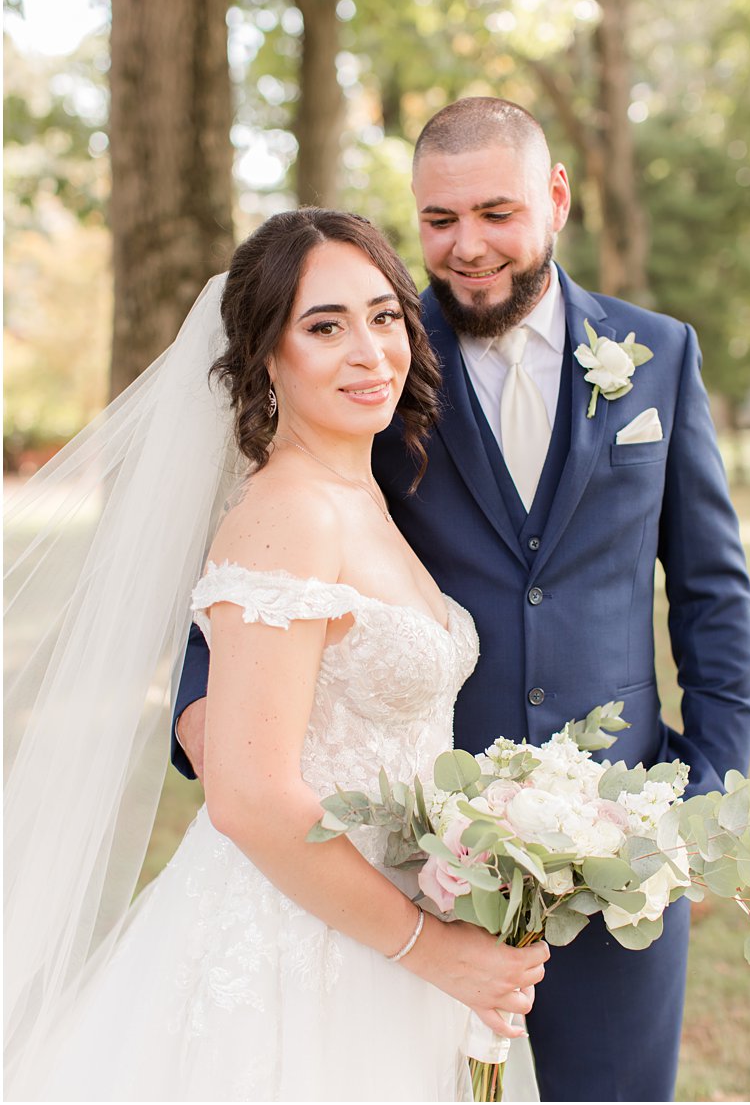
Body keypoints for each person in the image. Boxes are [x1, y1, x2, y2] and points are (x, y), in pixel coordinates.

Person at [173, 98, 750, 1101]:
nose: (467, 245)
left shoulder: (659, 355)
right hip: (423, 856)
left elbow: (711, 593)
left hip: (621, 842)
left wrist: (695, 802)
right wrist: (219, 740)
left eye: (496, 211)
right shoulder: (378, 359)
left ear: (555, 197)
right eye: (439, 220)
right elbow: (260, 581)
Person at [4, 209, 547, 1099]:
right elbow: (251, 797)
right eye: (324, 326)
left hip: (391, 923)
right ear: (265, 355)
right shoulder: (288, 514)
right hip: (305, 950)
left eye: (383, 316)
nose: (370, 351)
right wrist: (434, 950)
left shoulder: (362, 498)